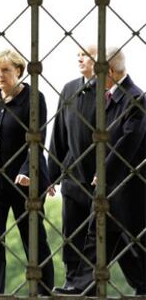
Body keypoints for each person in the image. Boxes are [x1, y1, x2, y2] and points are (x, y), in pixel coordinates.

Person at [54, 47, 146, 296]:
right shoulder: (112, 96)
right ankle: (83, 286)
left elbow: (127, 143)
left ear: (112, 72)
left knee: (133, 243)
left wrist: (104, 171)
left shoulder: (135, 98)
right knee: (102, 236)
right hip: (112, 186)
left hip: (128, 186)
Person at [0, 49, 54, 295]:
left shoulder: (34, 99)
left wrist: (26, 171)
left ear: (18, 71)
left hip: (23, 180)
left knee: (32, 234)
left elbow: (36, 140)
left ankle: (43, 288)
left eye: (5, 70)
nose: (0, 75)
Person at [48, 45, 98, 289]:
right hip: (71, 175)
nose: (81, 59)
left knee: (98, 235)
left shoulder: (108, 90)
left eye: (86, 55)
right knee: (71, 233)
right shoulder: (69, 88)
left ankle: (90, 284)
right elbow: (58, 133)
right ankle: (71, 283)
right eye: (78, 54)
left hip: (99, 176)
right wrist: (51, 175)